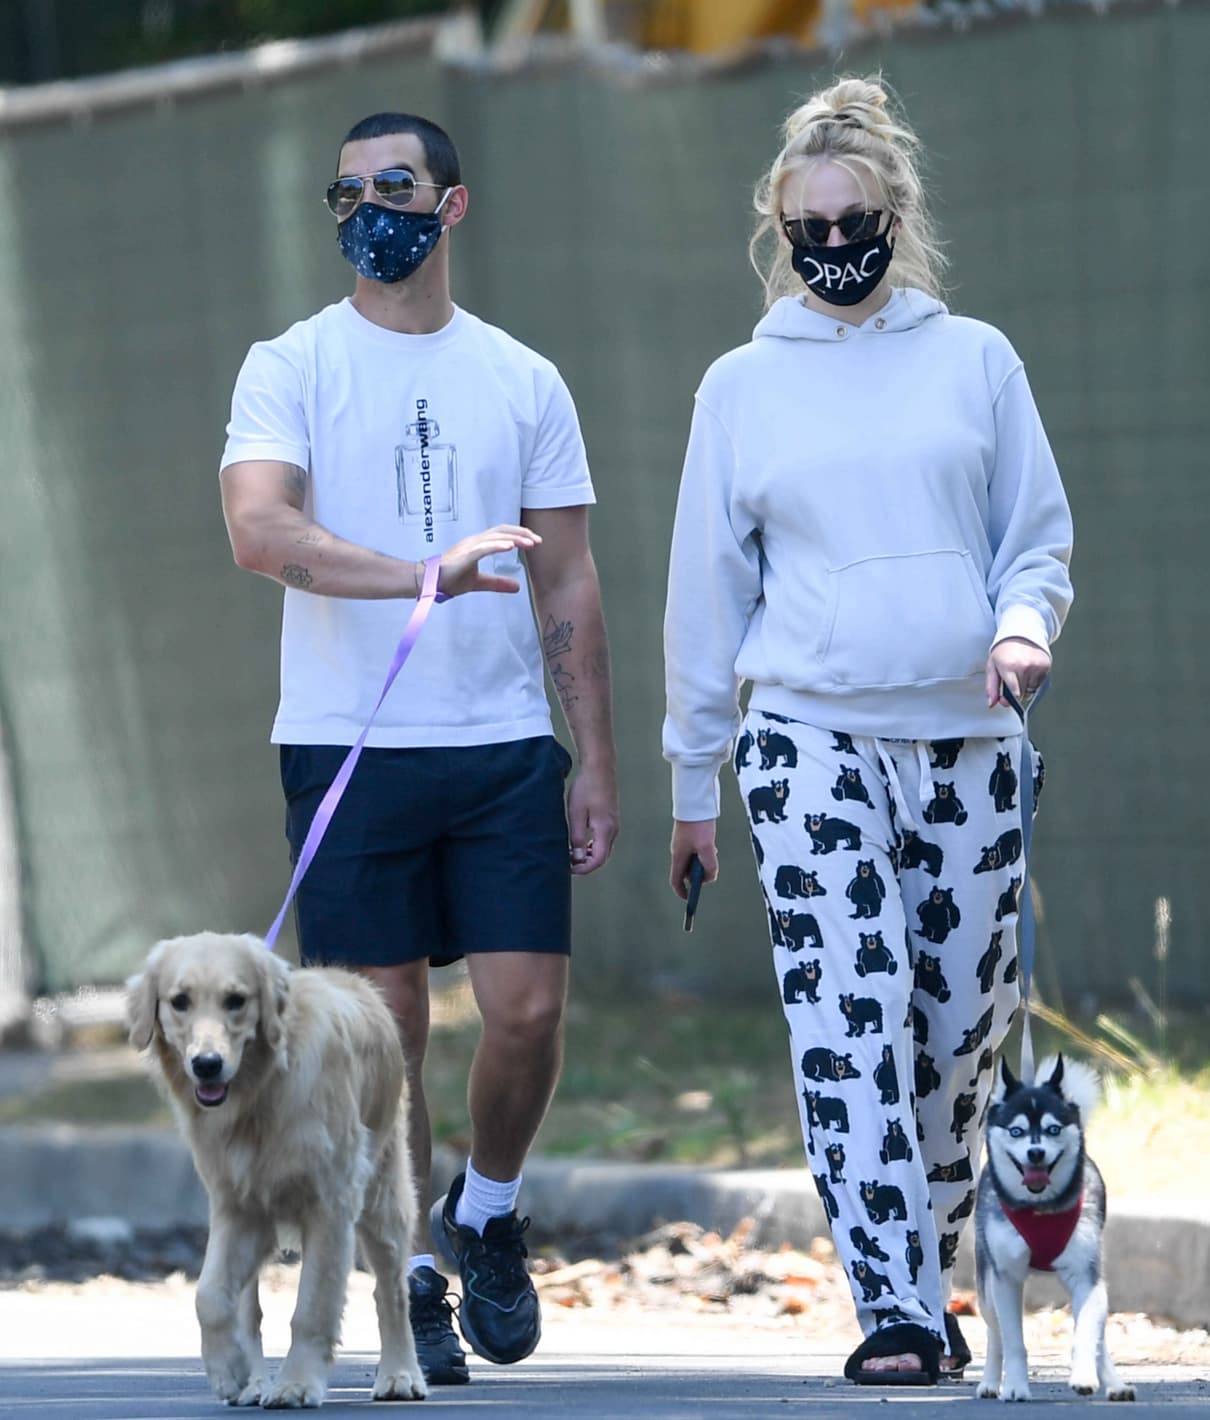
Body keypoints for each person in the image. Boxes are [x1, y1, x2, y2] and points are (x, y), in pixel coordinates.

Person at [662, 76, 1072, 1386]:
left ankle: (940, 1268)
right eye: (808, 228)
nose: (834, 246)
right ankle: (893, 1303)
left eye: (857, 219)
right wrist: (692, 777)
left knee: (956, 1033)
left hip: (968, 742)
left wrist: (1020, 624)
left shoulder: (978, 360)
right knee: (850, 1018)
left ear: (898, 215)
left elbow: (1036, 536)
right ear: (780, 237)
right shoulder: (740, 388)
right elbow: (705, 591)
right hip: (808, 743)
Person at [219, 111, 619, 1387]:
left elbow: (569, 584)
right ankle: (416, 1278)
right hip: (349, 746)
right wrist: (417, 577)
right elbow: (259, 531)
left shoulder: (522, 376)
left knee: (527, 1010)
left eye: (393, 186)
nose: (367, 209)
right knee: (386, 1032)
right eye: (345, 192)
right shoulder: (288, 364)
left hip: (502, 745)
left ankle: (487, 1212)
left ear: (451, 206)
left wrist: (595, 760)